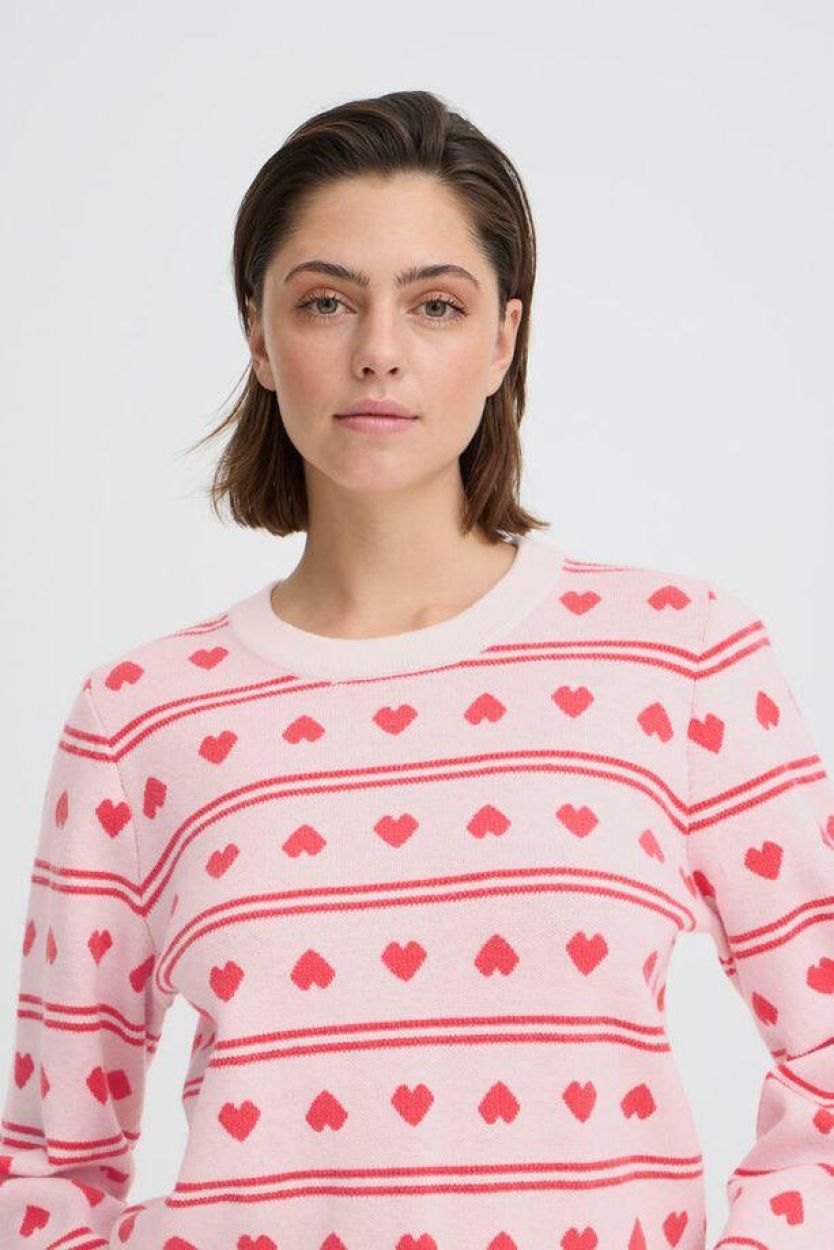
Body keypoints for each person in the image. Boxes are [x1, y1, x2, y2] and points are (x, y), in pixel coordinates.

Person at [0, 88, 831, 1250]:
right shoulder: (139, 719)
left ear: (502, 339)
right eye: (326, 301)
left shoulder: (681, 655)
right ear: (258, 336)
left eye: (435, 304)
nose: (378, 351)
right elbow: (46, 1170)